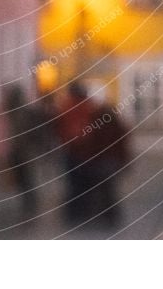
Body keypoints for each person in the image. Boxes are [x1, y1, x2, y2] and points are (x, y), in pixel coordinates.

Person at [55, 81, 96, 222]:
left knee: (73, 182)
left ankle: (74, 211)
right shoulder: (89, 106)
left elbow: (59, 127)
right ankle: (86, 209)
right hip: (87, 150)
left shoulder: (66, 106)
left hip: (71, 149)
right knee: (85, 182)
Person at [85, 100, 130, 227]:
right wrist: (124, 163)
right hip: (111, 162)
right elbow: (122, 147)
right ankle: (110, 214)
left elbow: (92, 145)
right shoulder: (118, 126)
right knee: (108, 189)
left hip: (101, 162)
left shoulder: (96, 126)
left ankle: (105, 214)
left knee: (103, 189)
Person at [2, 83, 40, 218]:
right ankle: (27, 203)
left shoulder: (24, 113)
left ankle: (30, 204)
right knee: (22, 179)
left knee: (26, 179)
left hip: (24, 152)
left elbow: (30, 134)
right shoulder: (14, 113)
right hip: (18, 151)